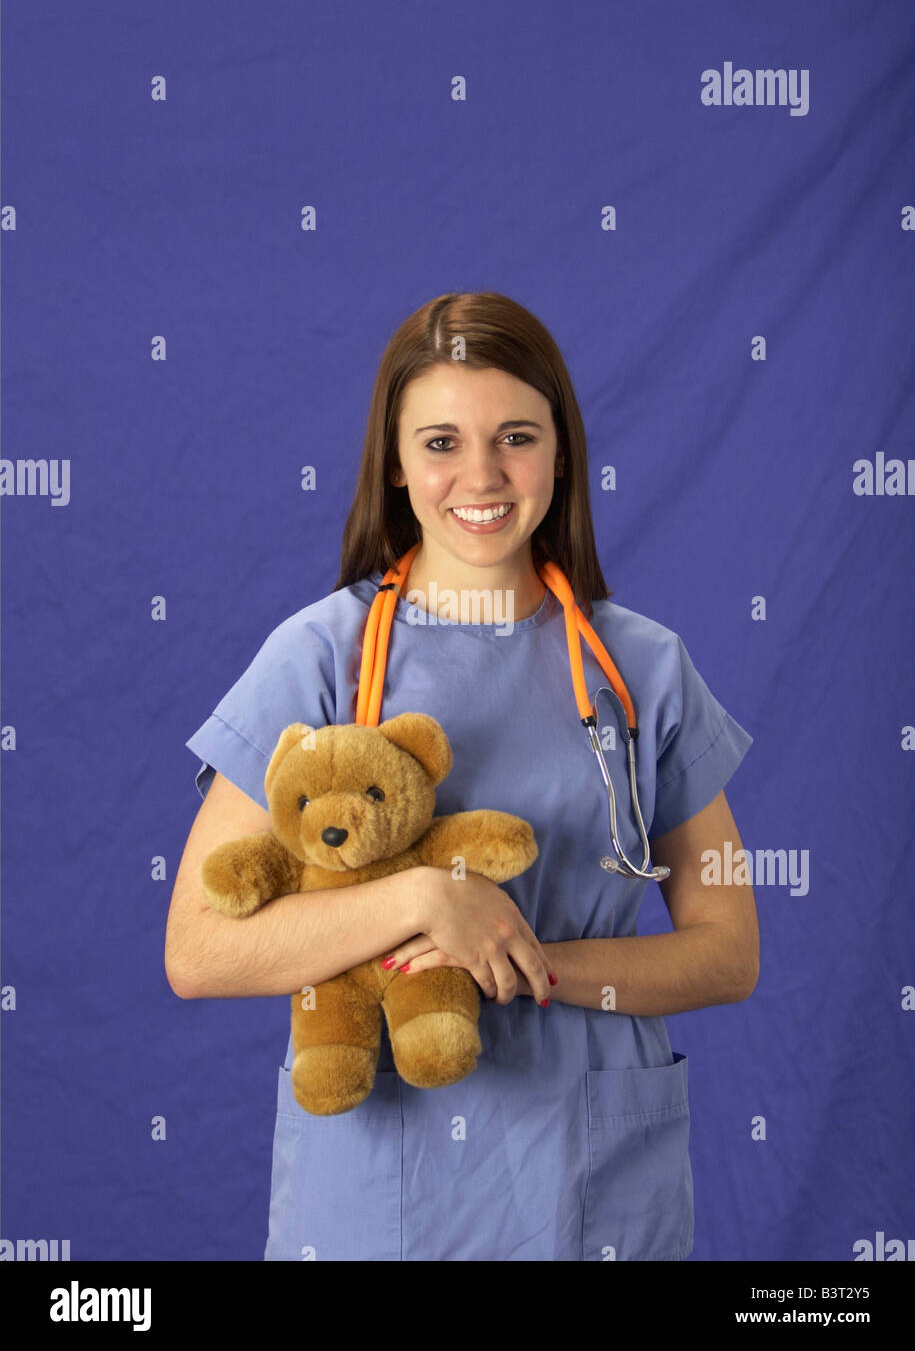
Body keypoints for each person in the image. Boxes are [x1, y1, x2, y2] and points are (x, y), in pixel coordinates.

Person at [165, 290, 759, 1262]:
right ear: (395, 464)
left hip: (590, 1178)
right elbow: (198, 950)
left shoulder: (642, 669)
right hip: (377, 1191)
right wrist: (423, 901)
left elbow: (728, 951)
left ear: (560, 453)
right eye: (440, 442)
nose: (480, 476)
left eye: (515, 437)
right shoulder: (319, 657)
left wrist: (528, 963)